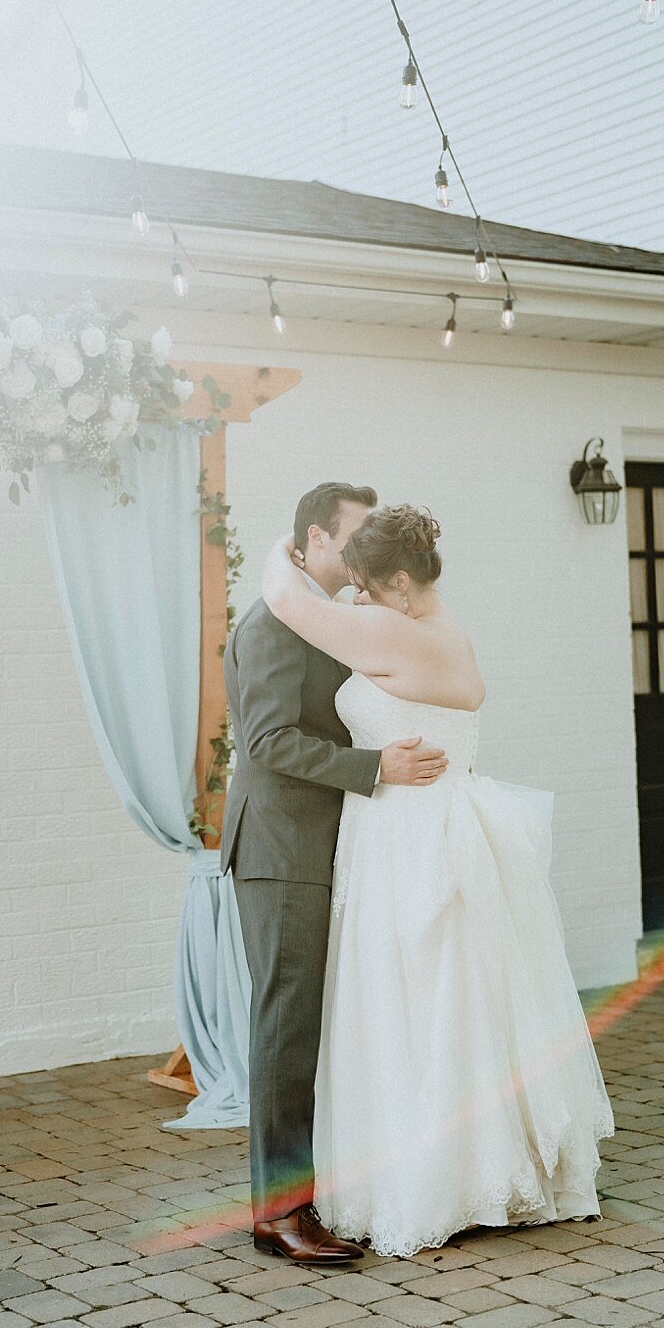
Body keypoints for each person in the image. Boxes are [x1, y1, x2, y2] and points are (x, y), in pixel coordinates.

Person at [261, 503, 615, 1258]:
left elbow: (287, 601)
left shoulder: (394, 632)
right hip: (439, 823)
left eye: (364, 585)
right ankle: (479, 1166)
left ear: (398, 582)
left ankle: (435, 1177)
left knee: (412, 1001)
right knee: (460, 1000)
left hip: (406, 833)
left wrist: (284, 545)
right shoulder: (448, 629)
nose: (353, 599)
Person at [221, 483, 449, 1264]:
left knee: (308, 1029)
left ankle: (306, 1198)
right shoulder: (272, 626)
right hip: (280, 849)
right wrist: (375, 766)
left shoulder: (317, 618)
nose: (358, 562)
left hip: (317, 848)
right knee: (285, 1031)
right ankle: (278, 1215)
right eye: (350, 543)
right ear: (315, 540)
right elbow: (270, 741)